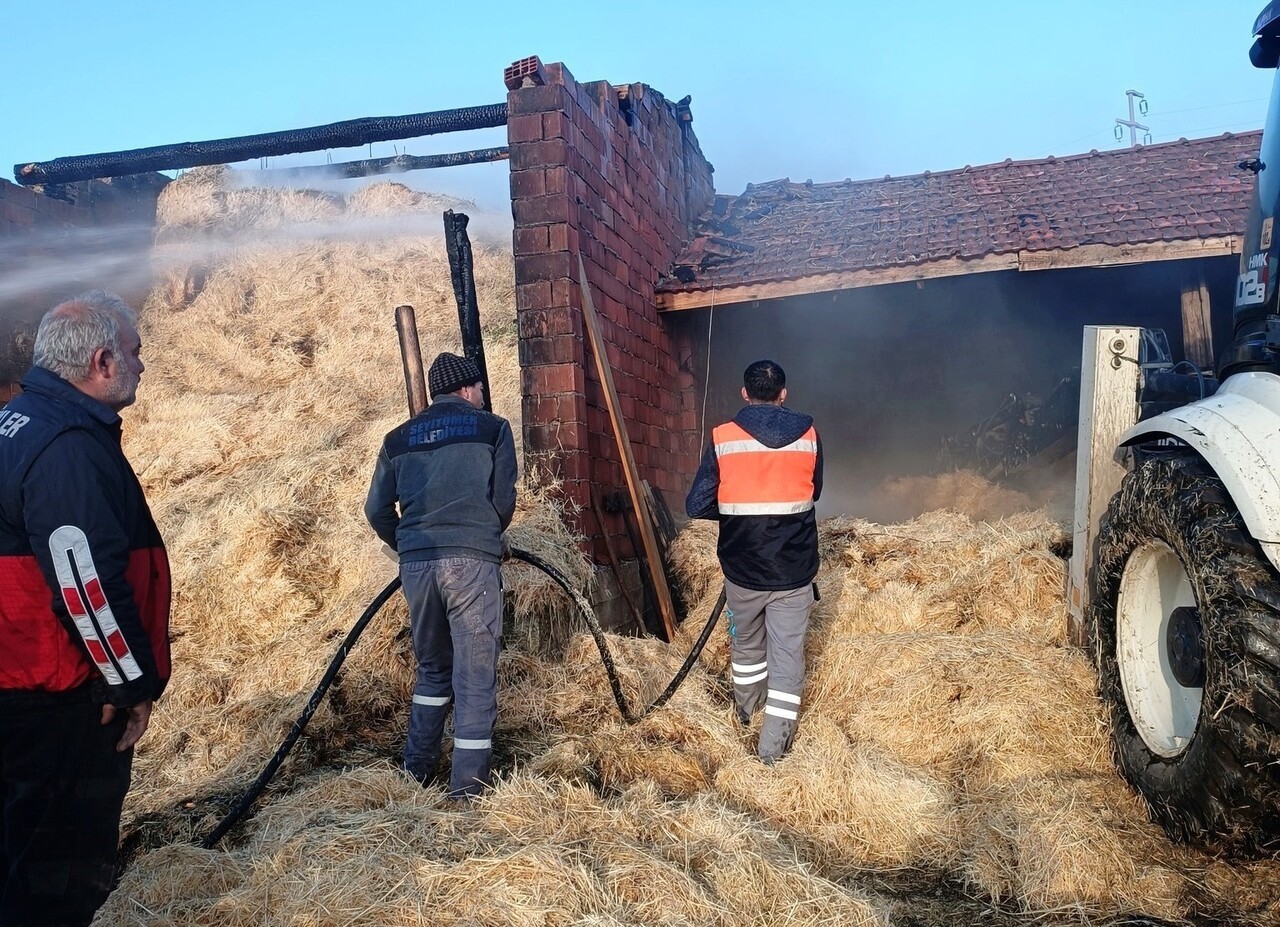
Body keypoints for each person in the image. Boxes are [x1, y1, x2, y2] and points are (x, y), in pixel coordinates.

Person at [0, 291, 171, 926]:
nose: (141, 366)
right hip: (60, 695)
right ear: (101, 361)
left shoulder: (21, 421)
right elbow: (83, 580)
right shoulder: (65, 446)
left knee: (21, 847)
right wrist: (128, 682)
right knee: (60, 869)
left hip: (23, 683)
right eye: (134, 353)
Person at [365, 351, 518, 798]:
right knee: (473, 675)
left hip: (416, 565)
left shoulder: (397, 439)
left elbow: (376, 510)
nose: (483, 396)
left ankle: (415, 773)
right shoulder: (493, 427)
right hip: (471, 565)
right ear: (468, 388)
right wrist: (485, 536)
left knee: (433, 670)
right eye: (481, 389)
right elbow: (502, 500)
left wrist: (410, 544)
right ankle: (466, 791)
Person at [685, 359, 823, 765]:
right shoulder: (810, 434)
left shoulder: (723, 437)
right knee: (787, 657)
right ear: (784, 394)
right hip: (794, 570)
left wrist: (738, 513)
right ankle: (771, 751)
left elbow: (696, 504)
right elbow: (814, 491)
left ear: (745, 393)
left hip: (741, 570)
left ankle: (745, 719)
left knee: (746, 650)